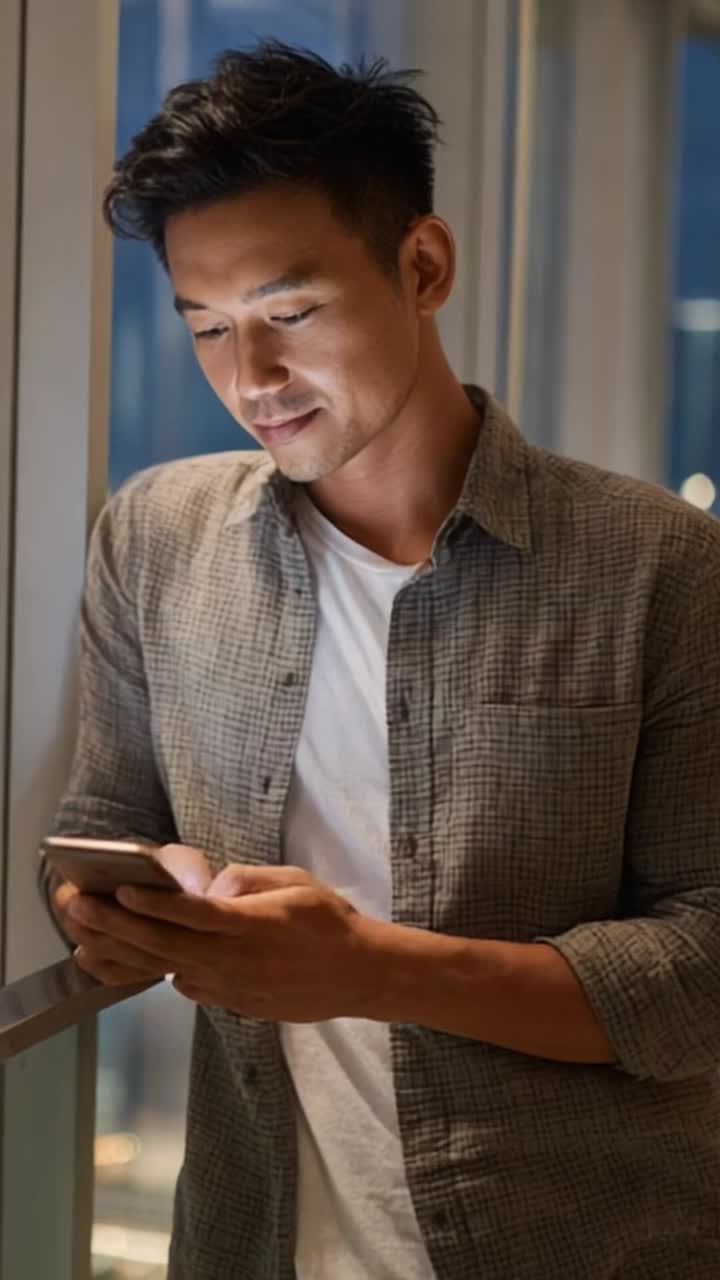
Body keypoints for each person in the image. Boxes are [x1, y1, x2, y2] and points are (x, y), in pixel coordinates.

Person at [43, 39, 720, 1280]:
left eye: (290, 313)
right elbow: (106, 822)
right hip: (251, 1239)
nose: (251, 378)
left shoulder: (661, 566)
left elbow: (704, 969)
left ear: (423, 265)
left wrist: (369, 968)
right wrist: (111, 908)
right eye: (209, 327)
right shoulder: (155, 537)